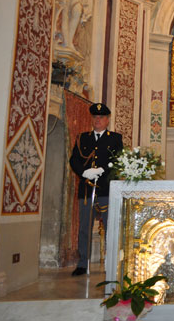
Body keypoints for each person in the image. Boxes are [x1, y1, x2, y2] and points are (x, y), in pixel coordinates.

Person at [69, 103, 123, 276]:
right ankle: (83, 263)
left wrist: (102, 170)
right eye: (95, 117)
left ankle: (110, 261)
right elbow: (74, 160)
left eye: (101, 118)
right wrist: (84, 172)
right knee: (84, 226)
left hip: (107, 189)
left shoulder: (115, 138)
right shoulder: (82, 138)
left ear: (107, 120)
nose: (97, 120)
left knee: (109, 226)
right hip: (86, 190)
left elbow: (119, 160)